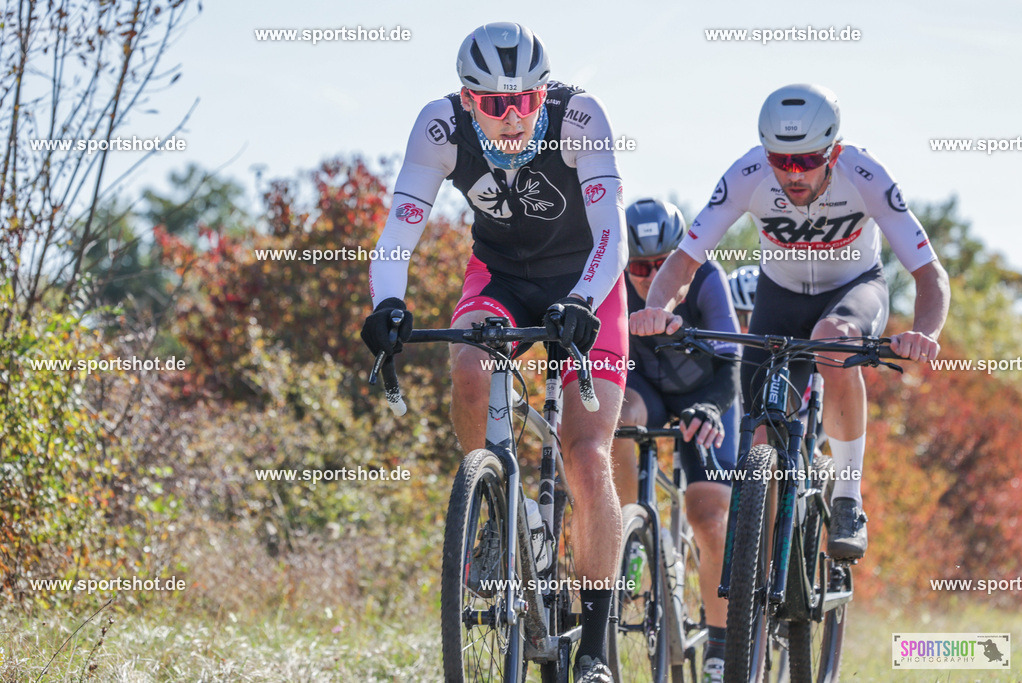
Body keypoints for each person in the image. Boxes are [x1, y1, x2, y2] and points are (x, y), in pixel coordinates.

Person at [360, 22, 628, 680]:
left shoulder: (581, 116)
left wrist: (584, 302)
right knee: (470, 370)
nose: (511, 119)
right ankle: (492, 507)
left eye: (525, 101)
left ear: (545, 94)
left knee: (587, 453)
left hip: (587, 280)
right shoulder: (438, 127)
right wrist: (387, 305)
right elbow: (398, 233)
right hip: (500, 278)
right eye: (493, 104)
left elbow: (612, 236)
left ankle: (593, 645)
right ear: (465, 98)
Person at [630, 84, 950, 562]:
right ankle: (759, 584)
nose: (792, 174)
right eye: (781, 160)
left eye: (807, 160)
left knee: (831, 344)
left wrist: (925, 332)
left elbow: (929, 273)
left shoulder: (866, 174)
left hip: (853, 289)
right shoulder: (747, 174)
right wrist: (660, 308)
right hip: (779, 297)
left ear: (834, 151)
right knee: (761, 437)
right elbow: (684, 261)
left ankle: (847, 498)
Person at [612, 198, 740, 682]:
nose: (647, 276)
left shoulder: (708, 280)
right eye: (638, 266)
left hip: (702, 395)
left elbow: (731, 366)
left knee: (708, 517)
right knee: (619, 419)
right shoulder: (616, 283)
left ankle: (720, 642)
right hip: (644, 387)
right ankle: (628, 537)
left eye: (660, 264)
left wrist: (710, 406)